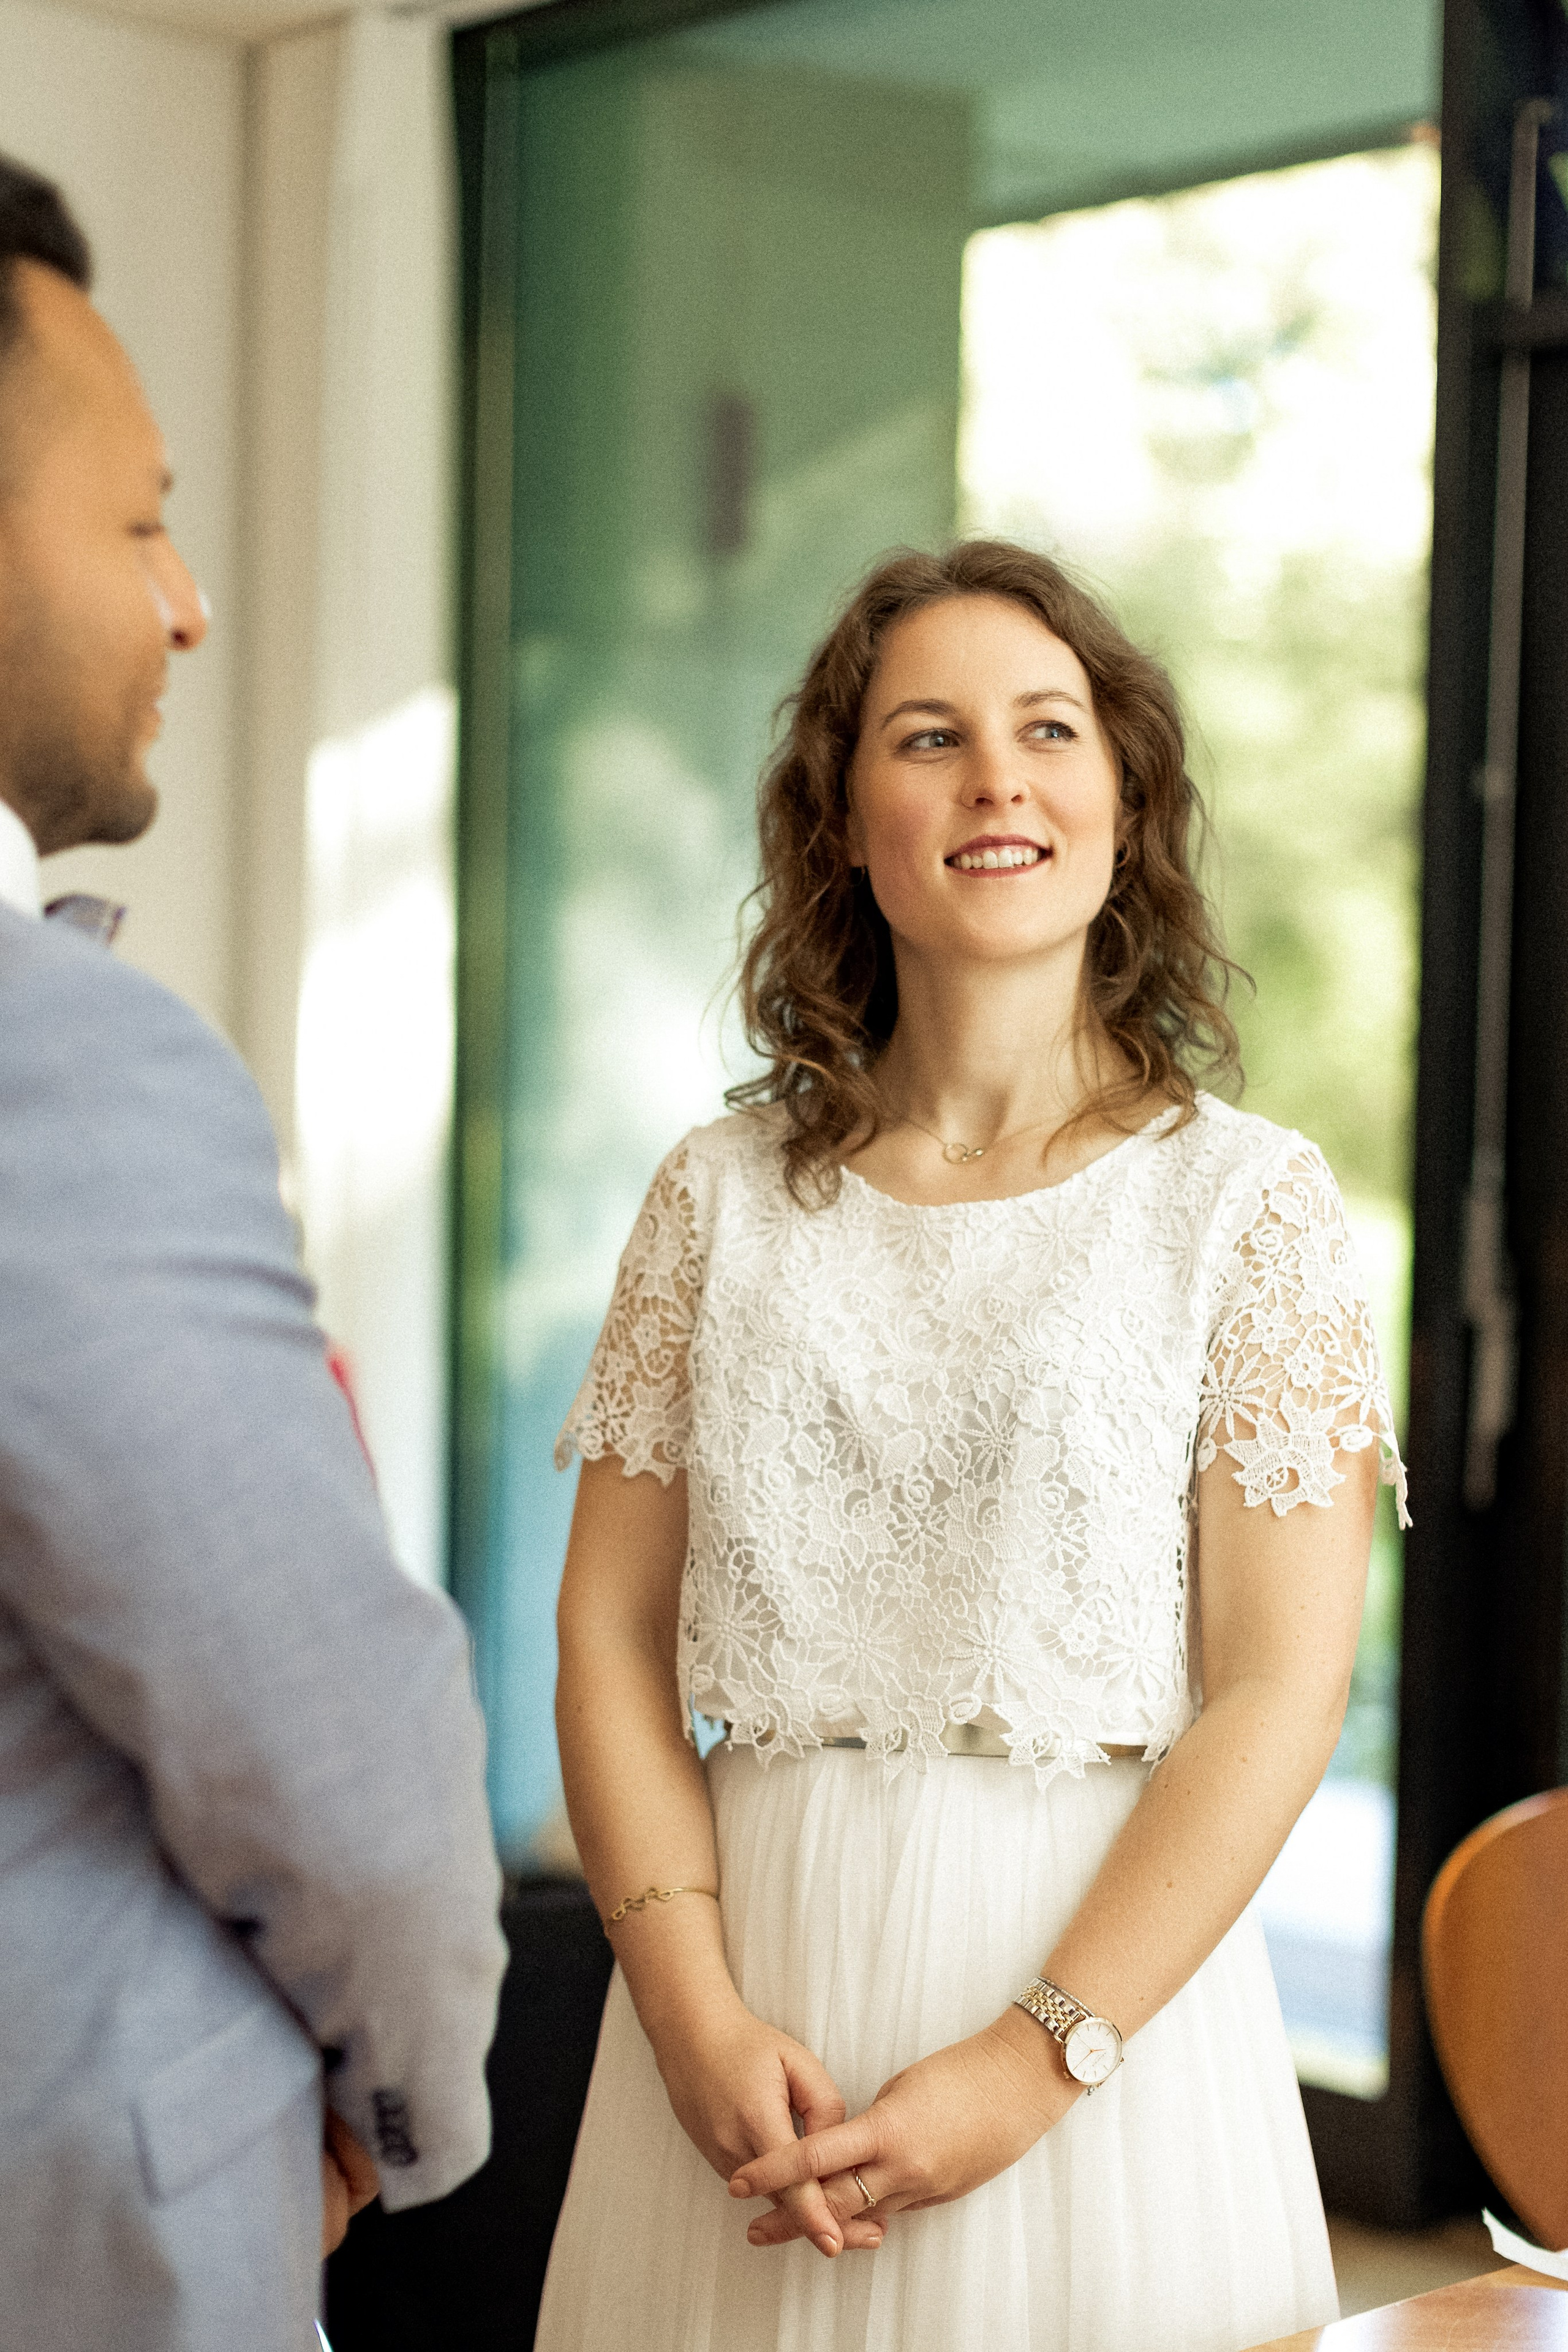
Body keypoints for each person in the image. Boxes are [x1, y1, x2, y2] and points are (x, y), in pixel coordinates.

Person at [537, 540, 1409, 2352]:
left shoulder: (1247, 1209)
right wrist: (688, 2015)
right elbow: (610, 1635)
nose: (998, 779)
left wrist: (1033, 2063)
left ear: (1124, 803)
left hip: (1103, 2046)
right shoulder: (713, 1201)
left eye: (1050, 730)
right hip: (739, 2032)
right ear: (844, 825)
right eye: (930, 737)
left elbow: (1279, 1691)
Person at [0, 154, 507, 2350]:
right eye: (139, 525)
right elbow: (336, 1759)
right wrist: (408, 2116)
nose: (189, 605)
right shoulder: (60, 1062)